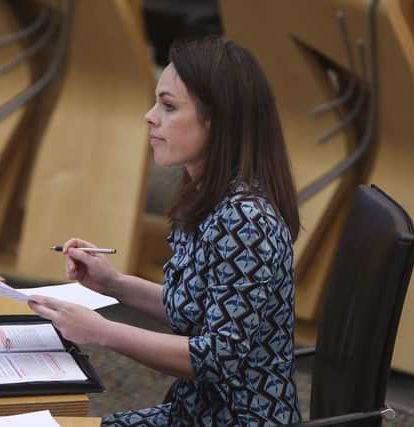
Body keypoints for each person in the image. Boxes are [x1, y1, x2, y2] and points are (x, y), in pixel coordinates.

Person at [28, 35, 302, 426]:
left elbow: (216, 357)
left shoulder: (246, 221)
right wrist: (115, 284)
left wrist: (103, 332)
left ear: (218, 120)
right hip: (196, 413)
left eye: (169, 106)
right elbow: (198, 309)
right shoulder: (210, 194)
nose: (150, 116)